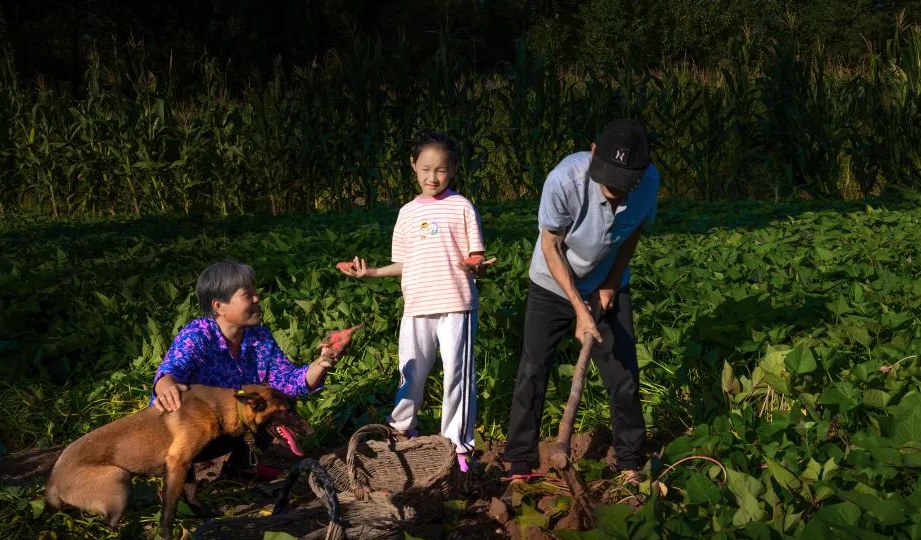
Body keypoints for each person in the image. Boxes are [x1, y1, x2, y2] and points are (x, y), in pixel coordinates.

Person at [503, 118, 660, 485]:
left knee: (623, 373)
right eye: (608, 178)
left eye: (625, 182)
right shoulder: (564, 181)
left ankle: (629, 461)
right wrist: (579, 308)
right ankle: (520, 462)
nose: (615, 189)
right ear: (593, 153)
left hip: (607, 281)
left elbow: (633, 231)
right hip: (553, 282)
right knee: (532, 369)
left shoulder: (649, 182)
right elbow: (550, 245)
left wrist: (608, 285)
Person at [337, 131, 494, 473]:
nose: (432, 177)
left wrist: (475, 264)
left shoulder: (462, 206)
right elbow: (404, 263)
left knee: (458, 375)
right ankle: (403, 429)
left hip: (457, 304)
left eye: (440, 170)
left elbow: (475, 255)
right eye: (425, 169)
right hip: (417, 306)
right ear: (413, 167)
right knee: (410, 372)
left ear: (452, 169)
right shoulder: (407, 213)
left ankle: (458, 446)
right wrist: (372, 273)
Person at [151, 259, 339, 480]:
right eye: (247, 295)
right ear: (218, 305)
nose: (257, 299)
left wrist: (321, 363)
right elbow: (171, 370)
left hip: (228, 424)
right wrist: (167, 386)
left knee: (278, 400)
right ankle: (176, 476)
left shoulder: (259, 337)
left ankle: (241, 465)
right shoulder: (197, 335)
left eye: (255, 292)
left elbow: (288, 381)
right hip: (189, 430)